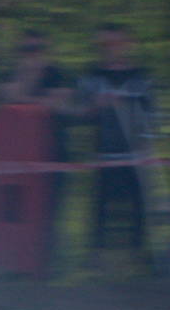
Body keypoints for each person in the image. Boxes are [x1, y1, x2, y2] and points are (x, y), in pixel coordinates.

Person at [67, 24, 161, 264]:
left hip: (135, 152)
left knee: (139, 202)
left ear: (129, 44)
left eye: (117, 43)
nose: (111, 48)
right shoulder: (90, 76)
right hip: (104, 152)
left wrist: (148, 145)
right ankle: (96, 256)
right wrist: (94, 106)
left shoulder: (142, 77)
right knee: (99, 203)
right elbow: (77, 113)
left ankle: (138, 255)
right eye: (105, 44)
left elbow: (154, 115)